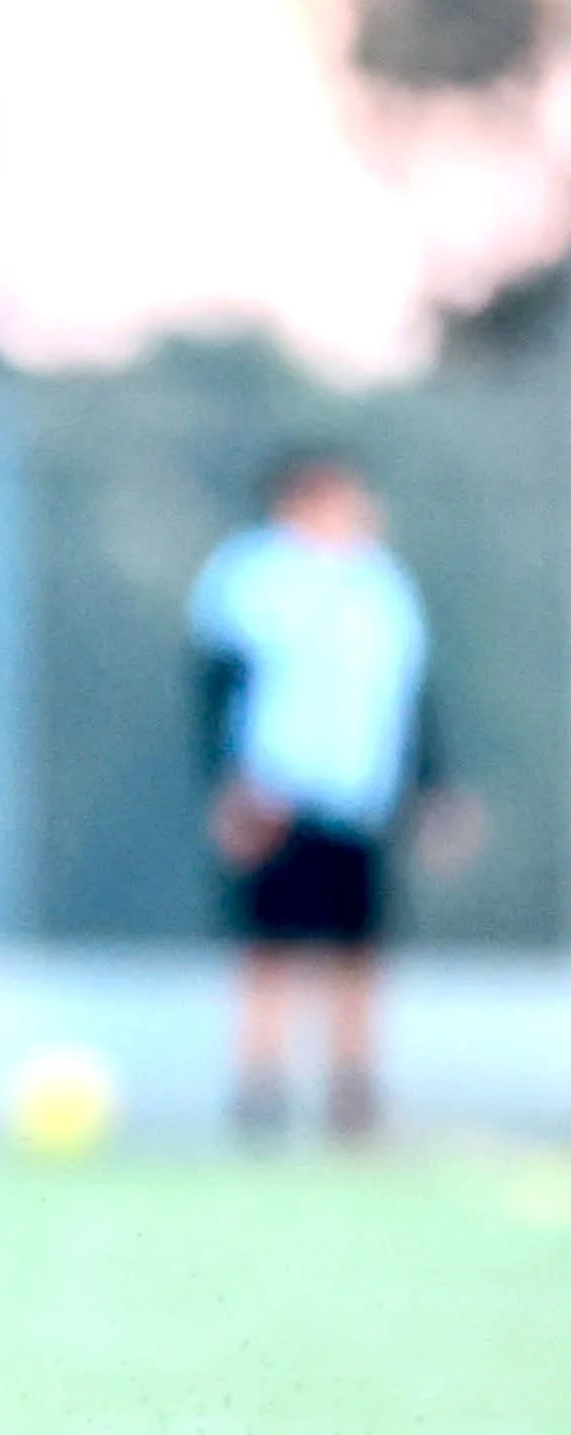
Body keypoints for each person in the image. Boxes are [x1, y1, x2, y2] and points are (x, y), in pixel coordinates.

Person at [189, 449, 480, 1140]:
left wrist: (432, 788)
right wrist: (228, 785)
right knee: (269, 946)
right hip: (276, 793)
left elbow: (410, 697)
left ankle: (353, 1090)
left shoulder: (381, 585)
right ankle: (260, 1087)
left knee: (359, 948)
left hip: (360, 795)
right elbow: (216, 686)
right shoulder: (249, 578)